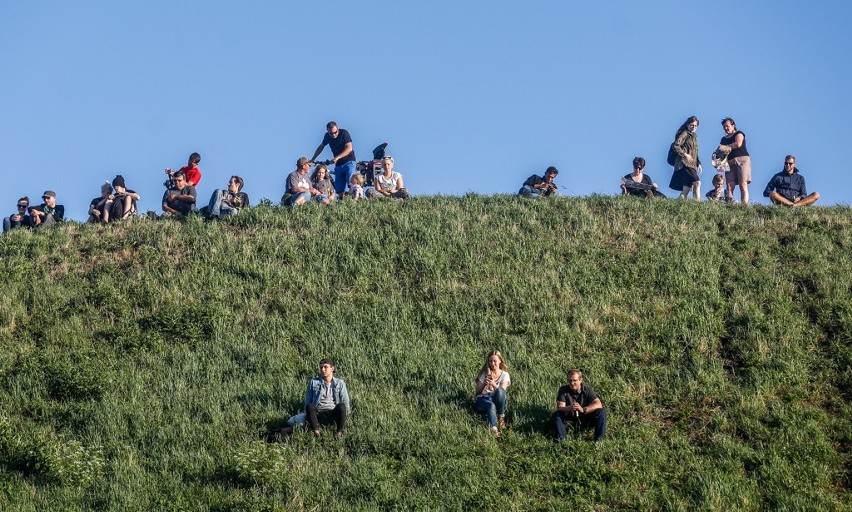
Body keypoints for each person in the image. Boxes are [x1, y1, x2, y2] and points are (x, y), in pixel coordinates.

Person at [551, 369, 607, 442]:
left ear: (580, 380)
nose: (572, 383)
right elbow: (560, 407)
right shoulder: (563, 390)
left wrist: (583, 409)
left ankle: (599, 441)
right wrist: (570, 408)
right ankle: (562, 441)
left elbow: (598, 404)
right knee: (557, 414)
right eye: (569, 381)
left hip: (585, 418)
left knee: (601, 412)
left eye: (575, 380)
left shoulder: (587, 390)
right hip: (569, 418)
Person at [303, 358, 351, 437]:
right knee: (309, 406)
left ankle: (338, 432)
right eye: (321, 367)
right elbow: (308, 399)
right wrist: (305, 413)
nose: (323, 369)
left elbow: (345, 400)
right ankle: (316, 432)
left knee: (342, 406)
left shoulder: (340, 383)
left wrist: (347, 414)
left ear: (332, 368)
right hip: (318, 411)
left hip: (332, 411)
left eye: (325, 367)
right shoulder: (314, 382)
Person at [311, 122, 356, 200]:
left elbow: (349, 148)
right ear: (328, 132)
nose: (334, 135)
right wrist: (313, 159)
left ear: (338, 128)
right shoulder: (327, 136)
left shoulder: (344, 133)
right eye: (331, 133)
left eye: (335, 132)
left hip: (349, 162)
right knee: (339, 187)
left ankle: (355, 200)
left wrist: (337, 157)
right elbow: (321, 146)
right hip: (338, 165)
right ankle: (341, 202)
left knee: (351, 183)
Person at [474, 350, 511, 438]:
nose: (492, 363)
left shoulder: (505, 375)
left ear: (500, 361)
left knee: (499, 392)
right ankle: (494, 430)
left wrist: (494, 384)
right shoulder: (485, 373)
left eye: (495, 361)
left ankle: (501, 417)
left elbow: (502, 392)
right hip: (483, 399)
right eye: (490, 361)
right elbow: (477, 392)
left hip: (496, 398)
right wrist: (484, 384)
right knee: (491, 405)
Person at [717, 118, 751, 204]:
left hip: (742, 160)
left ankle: (744, 205)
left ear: (733, 126)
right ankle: (730, 204)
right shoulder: (723, 139)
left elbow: (738, 144)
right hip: (729, 162)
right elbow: (720, 152)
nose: (726, 128)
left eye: (727, 126)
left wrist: (725, 147)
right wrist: (718, 163)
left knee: (742, 184)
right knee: (729, 185)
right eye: (724, 127)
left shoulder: (739, 134)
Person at [668, 116, 702, 200]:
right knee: (697, 182)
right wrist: (685, 155)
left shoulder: (694, 137)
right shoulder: (685, 134)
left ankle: (678, 204)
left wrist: (698, 163)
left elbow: (695, 152)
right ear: (687, 125)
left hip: (692, 165)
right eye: (692, 125)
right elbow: (676, 145)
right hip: (684, 163)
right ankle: (697, 204)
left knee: (686, 188)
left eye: (695, 126)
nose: (694, 127)